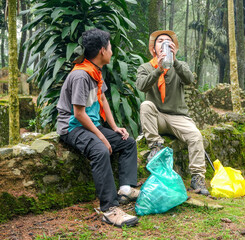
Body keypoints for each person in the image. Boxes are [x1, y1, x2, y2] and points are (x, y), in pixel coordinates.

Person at [56, 28, 139, 228]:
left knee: (127, 142)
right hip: (72, 127)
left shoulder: (95, 71)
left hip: (90, 125)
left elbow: (102, 98)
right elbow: (78, 114)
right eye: (110, 47)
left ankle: (126, 189)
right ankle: (109, 209)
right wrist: (102, 137)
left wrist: (114, 127)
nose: (112, 51)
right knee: (100, 151)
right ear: (102, 50)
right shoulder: (81, 75)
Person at [136, 30, 209, 196]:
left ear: (174, 47)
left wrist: (174, 61)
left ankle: (197, 177)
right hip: (157, 118)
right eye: (160, 41)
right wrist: (158, 69)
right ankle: (155, 146)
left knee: (196, 136)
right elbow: (141, 86)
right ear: (154, 48)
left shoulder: (180, 66)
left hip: (178, 117)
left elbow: (189, 79)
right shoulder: (146, 67)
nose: (164, 43)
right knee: (146, 105)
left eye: (168, 42)